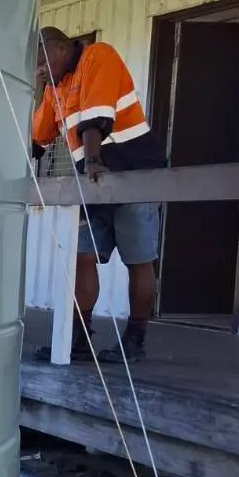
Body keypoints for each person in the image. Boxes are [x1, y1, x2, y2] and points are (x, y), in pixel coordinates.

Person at [32, 29, 164, 364]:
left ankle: (135, 339)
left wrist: (92, 159)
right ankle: (78, 336)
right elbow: (38, 137)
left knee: (138, 260)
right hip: (92, 184)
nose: (40, 72)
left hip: (134, 175)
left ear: (60, 48)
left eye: (42, 63)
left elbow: (97, 116)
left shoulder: (99, 55)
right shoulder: (55, 89)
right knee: (82, 257)